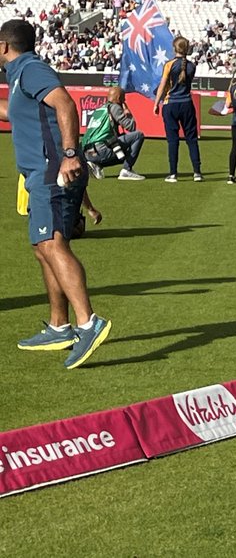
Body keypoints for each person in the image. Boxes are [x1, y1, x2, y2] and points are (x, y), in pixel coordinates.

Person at [1, 19, 111, 368]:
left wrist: (67, 155)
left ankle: (88, 323)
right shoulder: (18, 76)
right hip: (40, 172)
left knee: (52, 244)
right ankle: (59, 325)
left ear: (5, 46)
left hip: (51, 169)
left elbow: (65, 104)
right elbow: (19, 116)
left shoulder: (30, 69)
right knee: (42, 246)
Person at [154, 35, 202, 182]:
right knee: (191, 139)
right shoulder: (192, 66)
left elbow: (162, 85)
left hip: (171, 104)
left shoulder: (169, 65)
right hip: (187, 103)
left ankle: (173, 173)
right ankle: (197, 172)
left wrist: (156, 103)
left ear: (174, 48)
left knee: (173, 140)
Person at [81, 85, 145, 180]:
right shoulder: (115, 107)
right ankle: (127, 170)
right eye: (123, 98)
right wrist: (128, 112)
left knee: (120, 150)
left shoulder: (100, 109)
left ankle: (96, 164)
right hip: (102, 149)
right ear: (119, 98)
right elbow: (131, 127)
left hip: (87, 152)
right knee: (138, 135)